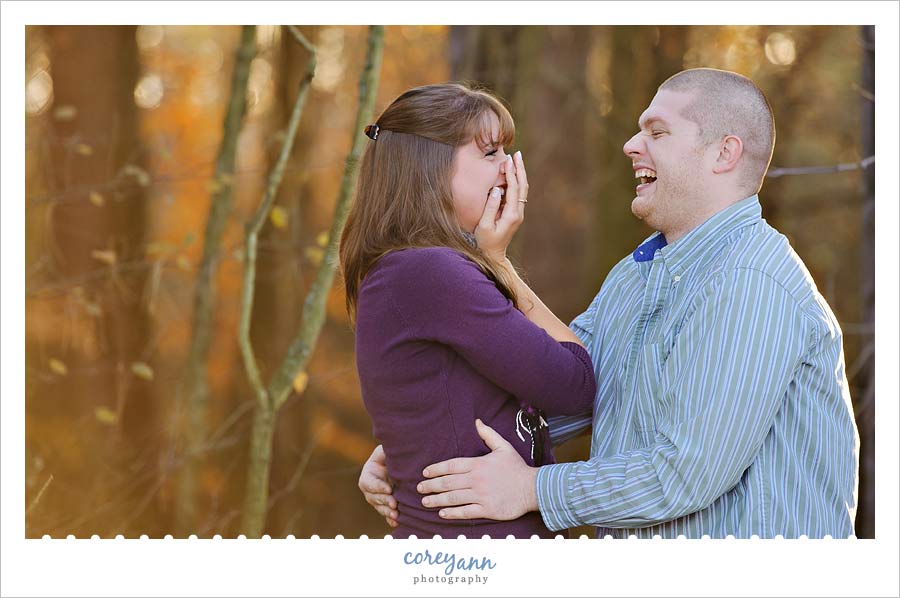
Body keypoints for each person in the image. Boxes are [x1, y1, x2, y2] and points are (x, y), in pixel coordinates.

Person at [359, 68, 860, 539]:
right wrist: (421, 442)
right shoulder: (636, 277)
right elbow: (567, 391)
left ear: (723, 154)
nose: (630, 145)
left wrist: (531, 488)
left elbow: (683, 473)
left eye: (657, 133)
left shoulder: (750, 283)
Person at [339, 83, 597, 539]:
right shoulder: (430, 272)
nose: (511, 168)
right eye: (491, 152)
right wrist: (498, 262)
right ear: (431, 168)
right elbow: (575, 384)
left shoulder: (407, 270)